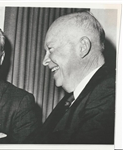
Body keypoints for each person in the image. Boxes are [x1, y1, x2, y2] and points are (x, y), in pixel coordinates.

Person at [24, 11, 115, 144]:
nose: (45, 61)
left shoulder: (110, 94)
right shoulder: (73, 98)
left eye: (51, 49)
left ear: (82, 47)